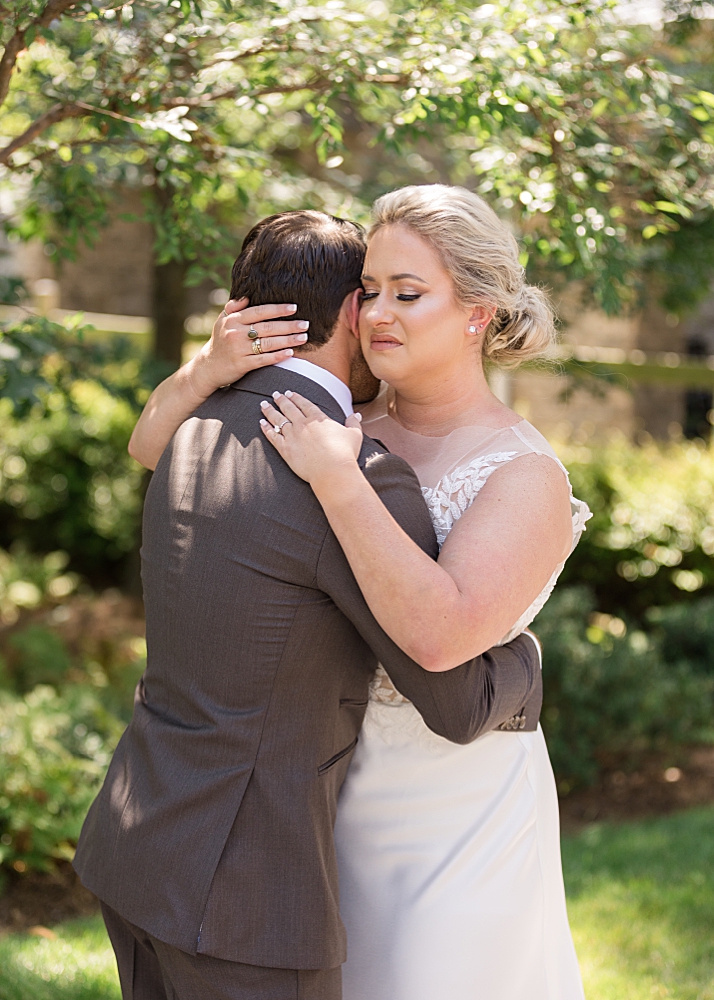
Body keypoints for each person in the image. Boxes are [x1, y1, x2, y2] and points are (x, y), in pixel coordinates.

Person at [126, 187, 590, 996]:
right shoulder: (342, 420)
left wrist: (341, 479)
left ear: (479, 312)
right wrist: (208, 369)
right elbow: (156, 450)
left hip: (451, 816)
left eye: (408, 294)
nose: (376, 313)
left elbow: (442, 639)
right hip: (321, 802)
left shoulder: (522, 476)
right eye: (368, 291)